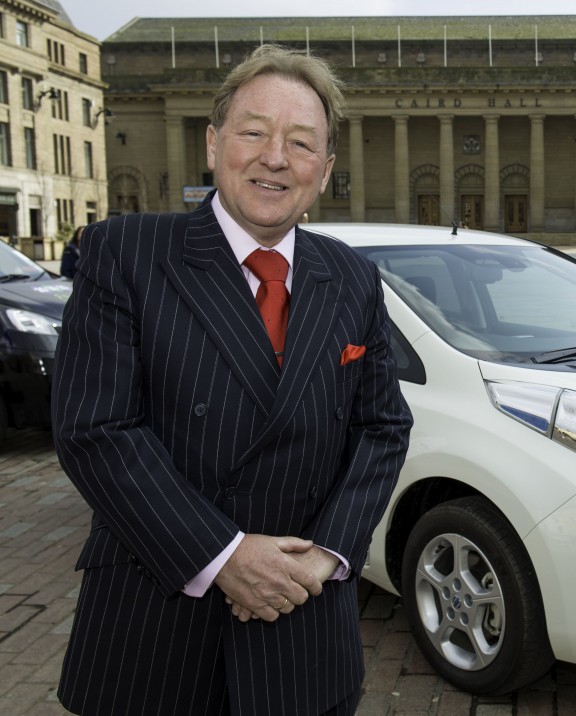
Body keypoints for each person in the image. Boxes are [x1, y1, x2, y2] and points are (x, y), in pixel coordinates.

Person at [51, 44, 412, 716]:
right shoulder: (125, 252)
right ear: (214, 143)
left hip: (302, 633)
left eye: (301, 143)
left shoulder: (353, 277)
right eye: (254, 132)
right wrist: (224, 556)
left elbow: (383, 426)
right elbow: (96, 429)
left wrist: (325, 554)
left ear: (326, 170)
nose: (275, 157)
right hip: (155, 631)